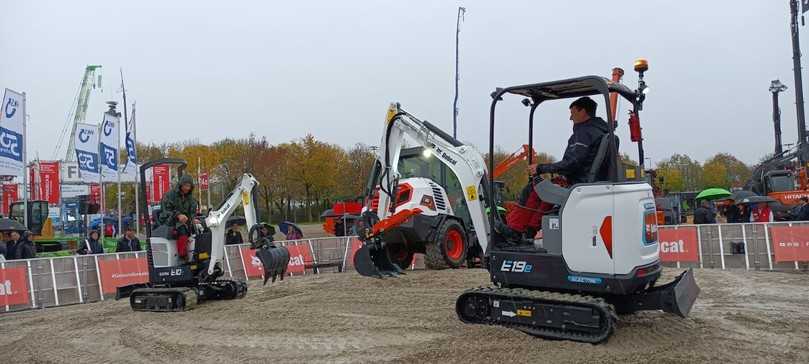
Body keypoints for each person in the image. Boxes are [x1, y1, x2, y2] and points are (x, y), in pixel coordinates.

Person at [506, 97, 613, 237]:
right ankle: (529, 231)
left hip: (578, 184)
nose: (570, 118)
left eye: (573, 113)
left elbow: (572, 163)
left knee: (533, 188)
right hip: (588, 182)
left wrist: (540, 168)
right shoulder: (600, 131)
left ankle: (514, 230)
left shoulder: (585, 132)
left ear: (583, 111)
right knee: (546, 191)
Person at [157, 174, 199, 259]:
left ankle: (198, 253)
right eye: (186, 186)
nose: (187, 188)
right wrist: (178, 215)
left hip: (184, 221)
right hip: (169, 220)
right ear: (181, 184)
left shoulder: (191, 198)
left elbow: (192, 212)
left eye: (189, 186)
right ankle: (182, 255)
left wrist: (193, 219)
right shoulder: (169, 195)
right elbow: (166, 211)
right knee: (182, 228)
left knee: (200, 228)